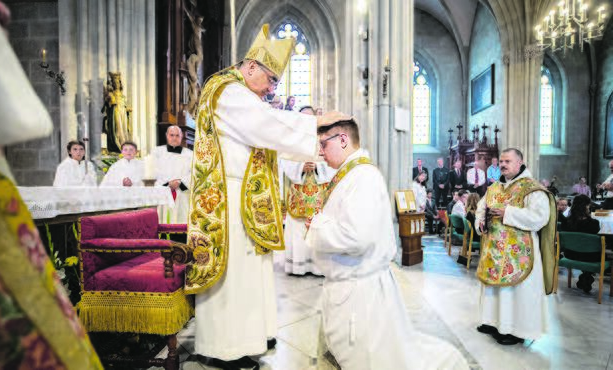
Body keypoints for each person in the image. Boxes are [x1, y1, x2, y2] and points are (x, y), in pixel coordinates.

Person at [185, 24, 350, 368]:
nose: (273, 88)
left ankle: (248, 339)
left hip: (241, 194)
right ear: (250, 68)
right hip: (227, 198)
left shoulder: (238, 91)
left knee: (250, 272)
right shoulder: (229, 92)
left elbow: (265, 136)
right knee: (233, 275)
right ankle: (223, 348)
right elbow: (266, 126)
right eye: (271, 79)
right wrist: (317, 124)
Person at [0, 1, 102, 368]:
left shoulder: (88, 165)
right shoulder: (63, 165)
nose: (78, 152)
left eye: (81, 148)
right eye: (75, 148)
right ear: (70, 150)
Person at [306, 119, 468, 370]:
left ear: (342, 140)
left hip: (360, 293)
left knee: (371, 360)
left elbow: (357, 236)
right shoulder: (350, 174)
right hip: (349, 285)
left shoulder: (364, 177)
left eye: (323, 144)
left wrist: (316, 226)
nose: (320, 151)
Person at [475, 148, 556, 346]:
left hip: (519, 253)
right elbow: (481, 209)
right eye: (501, 161)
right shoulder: (494, 187)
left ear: (520, 163)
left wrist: (507, 213)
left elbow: (540, 217)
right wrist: (481, 222)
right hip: (494, 251)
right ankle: (492, 322)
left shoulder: (532, 189)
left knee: (515, 293)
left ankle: (516, 330)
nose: (503, 164)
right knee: (494, 290)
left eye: (507, 161)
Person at [281, 105, 336, 276]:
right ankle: (298, 266)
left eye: (309, 117)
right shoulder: (292, 139)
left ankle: (317, 267)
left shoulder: (324, 139)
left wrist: (319, 167)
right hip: (298, 191)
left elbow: (333, 163)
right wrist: (301, 168)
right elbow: (284, 161)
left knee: (316, 227)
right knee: (298, 229)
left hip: (319, 192)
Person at [151, 126, 193, 224]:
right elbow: (152, 172)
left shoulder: (190, 154)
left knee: (182, 222)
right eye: (172, 135)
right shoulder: (157, 152)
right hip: (163, 193)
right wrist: (167, 184)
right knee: (163, 223)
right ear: (167, 136)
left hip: (182, 195)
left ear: (182, 136)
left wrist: (180, 183)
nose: (174, 138)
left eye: (177, 135)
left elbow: (194, 173)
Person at [560, 194, 601, 293]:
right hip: (590, 258)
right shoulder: (594, 223)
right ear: (586, 207)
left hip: (570, 254)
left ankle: (585, 276)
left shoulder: (566, 222)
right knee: (601, 252)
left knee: (586, 251)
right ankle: (586, 276)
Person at [101, 71, 132, 153]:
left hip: (123, 113)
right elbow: (104, 108)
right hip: (116, 112)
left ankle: (125, 146)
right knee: (118, 129)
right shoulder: (111, 94)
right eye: (115, 82)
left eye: (118, 82)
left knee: (124, 129)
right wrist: (108, 100)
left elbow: (125, 105)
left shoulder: (123, 96)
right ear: (112, 84)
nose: (116, 84)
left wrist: (127, 109)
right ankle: (119, 145)